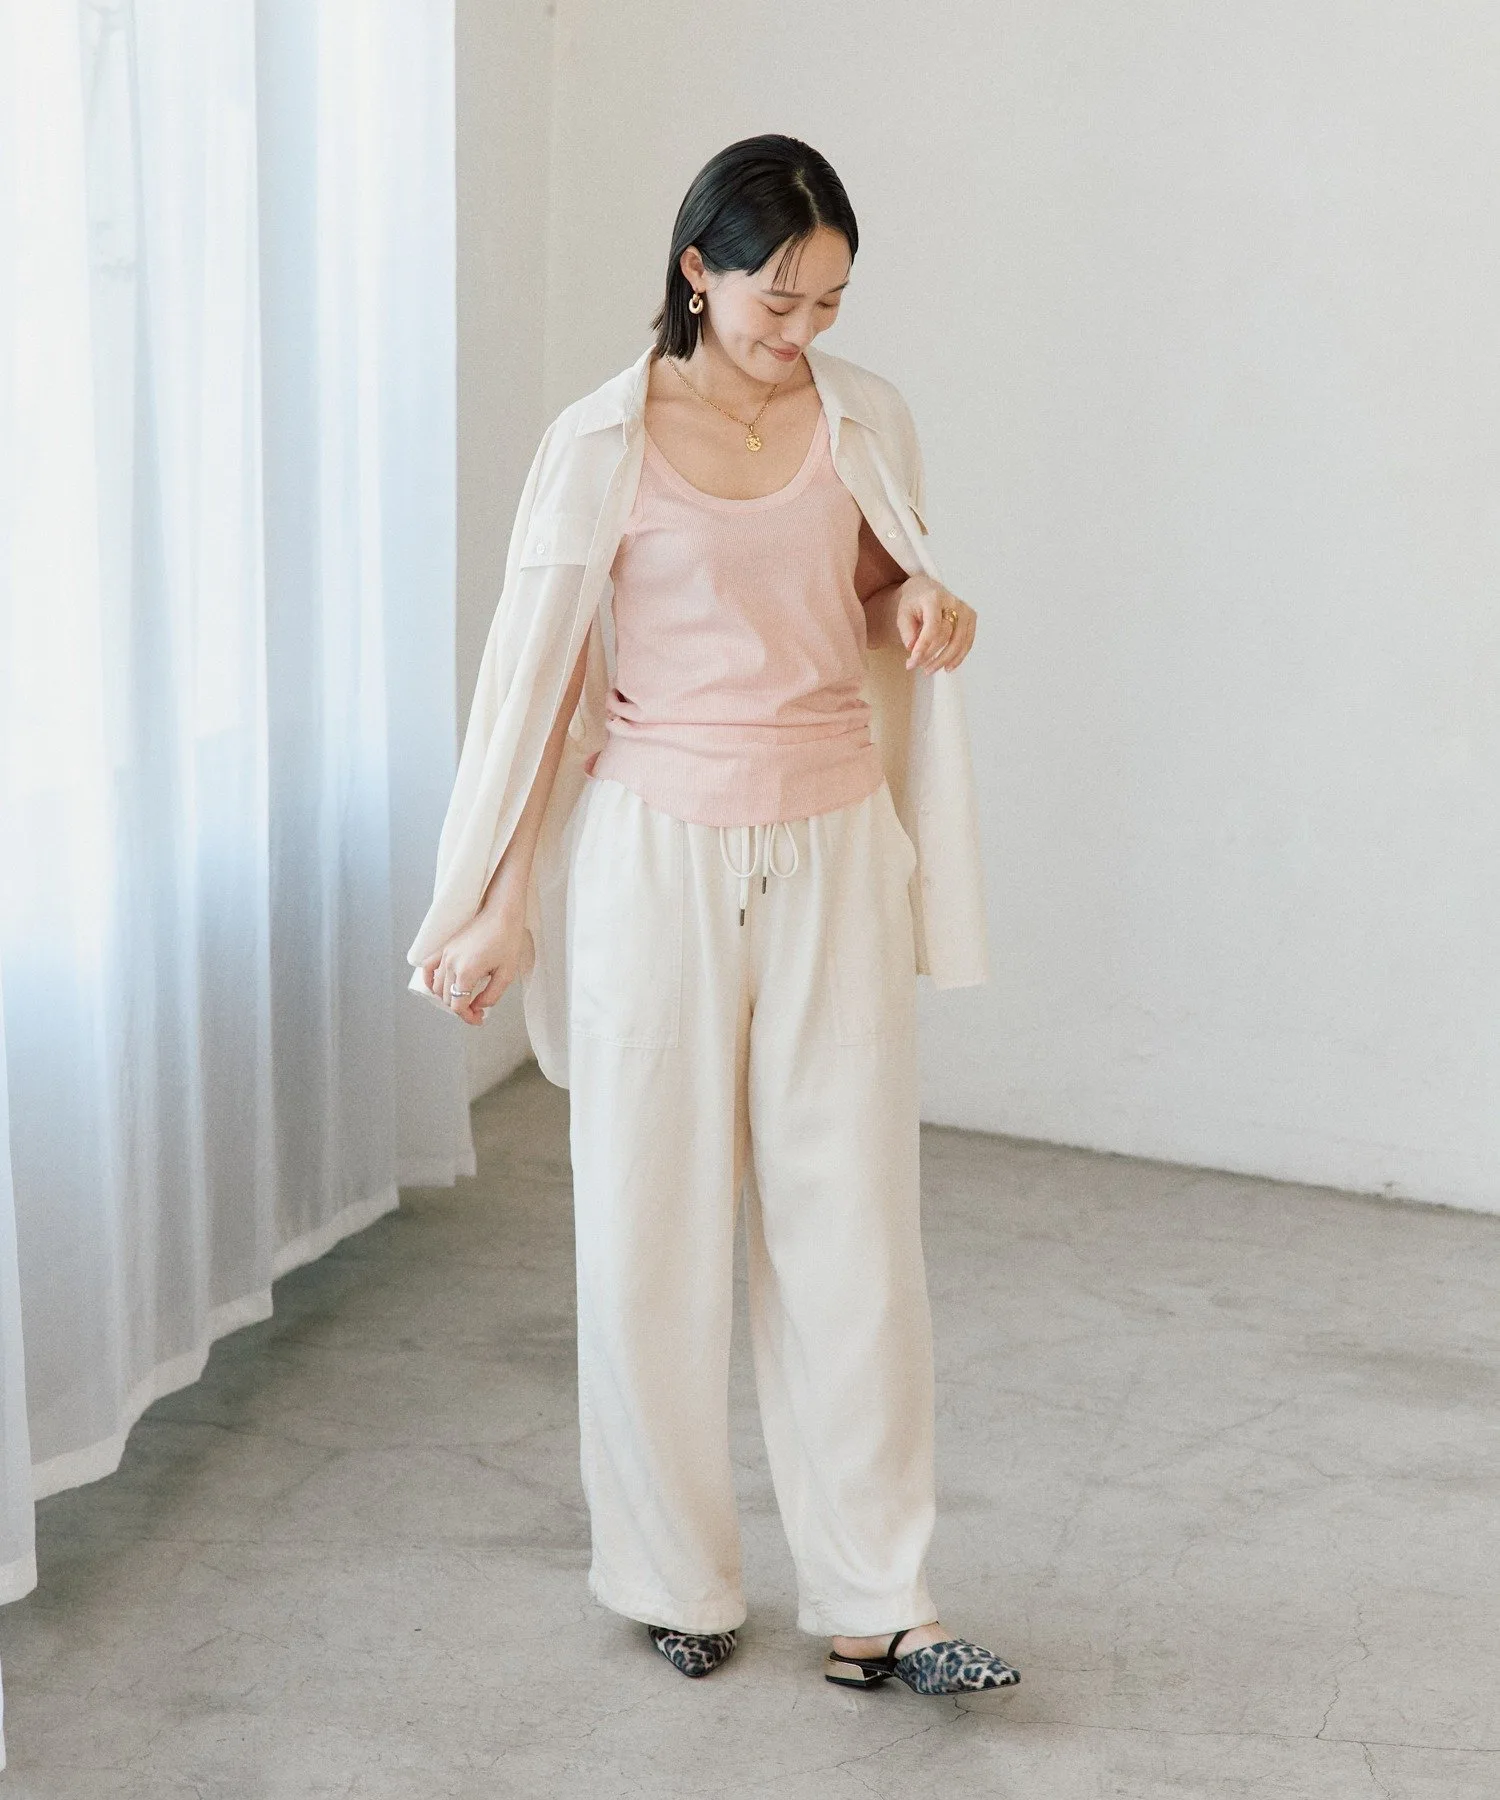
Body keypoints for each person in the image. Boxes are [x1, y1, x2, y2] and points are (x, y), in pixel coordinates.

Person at [408, 134, 1021, 1699]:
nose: (800, 332)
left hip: (833, 844)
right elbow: (543, 687)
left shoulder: (864, 415)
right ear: (698, 270)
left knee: (855, 1230)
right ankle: (673, 1576)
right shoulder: (600, 441)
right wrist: (497, 906)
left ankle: (882, 1602)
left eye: (828, 304)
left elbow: (877, 587)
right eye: (776, 300)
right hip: (654, 854)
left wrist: (919, 604)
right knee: (649, 1228)